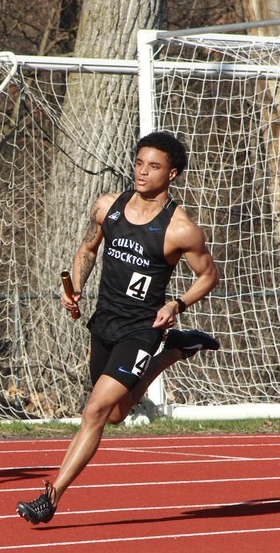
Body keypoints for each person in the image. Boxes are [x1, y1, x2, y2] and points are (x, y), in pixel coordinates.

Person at [16, 131, 220, 524]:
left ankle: (50, 496)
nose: (143, 172)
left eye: (154, 166)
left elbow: (208, 275)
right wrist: (74, 288)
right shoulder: (108, 206)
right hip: (104, 321)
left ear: (172, 174)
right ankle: (176, 351)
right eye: (139, 163)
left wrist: (177, 303)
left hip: (141, 329)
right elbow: (88, 250)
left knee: (94, 411)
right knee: (115, 416)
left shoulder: (180, 229)